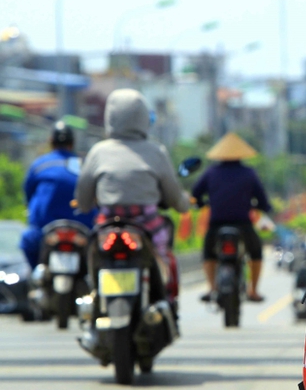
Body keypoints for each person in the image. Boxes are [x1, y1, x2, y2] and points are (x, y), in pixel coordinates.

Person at [74, 88, 191, 291]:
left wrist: (85, 205)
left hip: (107, 226)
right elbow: (174, 197)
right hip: (148, 226)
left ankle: (94, 295)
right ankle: (166, 301)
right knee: (164, 261)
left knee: (92, 255)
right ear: (144, 117)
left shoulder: (98, 152)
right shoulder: (156, 151)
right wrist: (183, 204)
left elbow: (83, 200)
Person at [191, 132, 272, 303]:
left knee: (208, 253)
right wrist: (262, 207)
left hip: (217, 223)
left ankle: (212, 287)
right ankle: (253, 291)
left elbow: (195, 194)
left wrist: (201, 203)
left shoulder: (210, 172)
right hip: (243, 223)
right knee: (256, 252)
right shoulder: (249, 173)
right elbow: (262, 200)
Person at [20, 121, 96, 269]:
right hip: (84, 229)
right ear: (72, 143)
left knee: (27, 242)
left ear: (51, 141)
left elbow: (29, 195)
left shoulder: (39, 164)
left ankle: (37, 278)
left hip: (45, 230)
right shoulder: (84, 164)